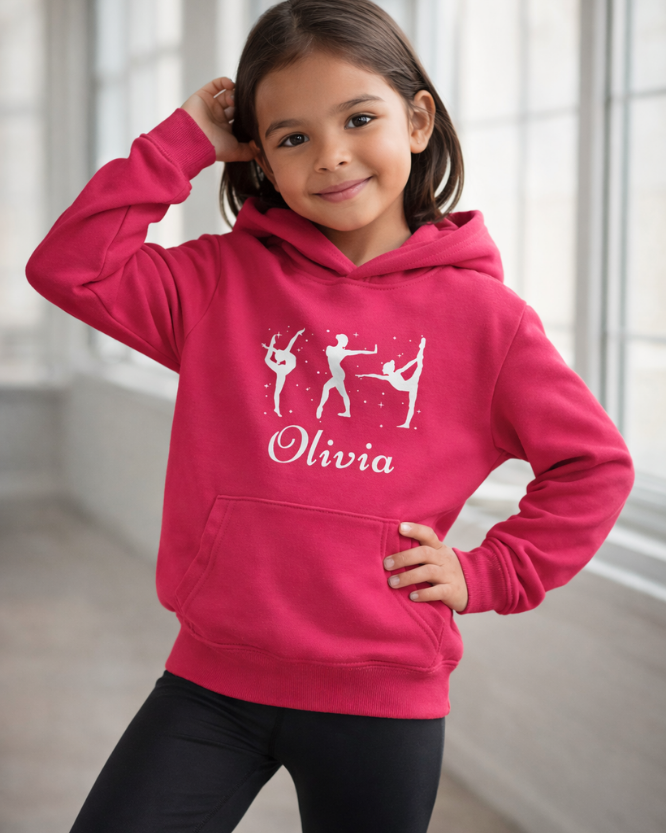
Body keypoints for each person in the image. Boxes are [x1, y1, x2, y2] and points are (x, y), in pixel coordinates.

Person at [25, 0, 634, 830]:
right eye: (292, 136)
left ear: (417, 120)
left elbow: (594, 465)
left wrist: (490, 571)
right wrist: (184, 143)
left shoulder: (487, 321)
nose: (332, 156)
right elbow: (71, 267)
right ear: (261, 159)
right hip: (212, 682)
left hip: (381, 701)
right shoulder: (218, 284)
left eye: (359, 118)